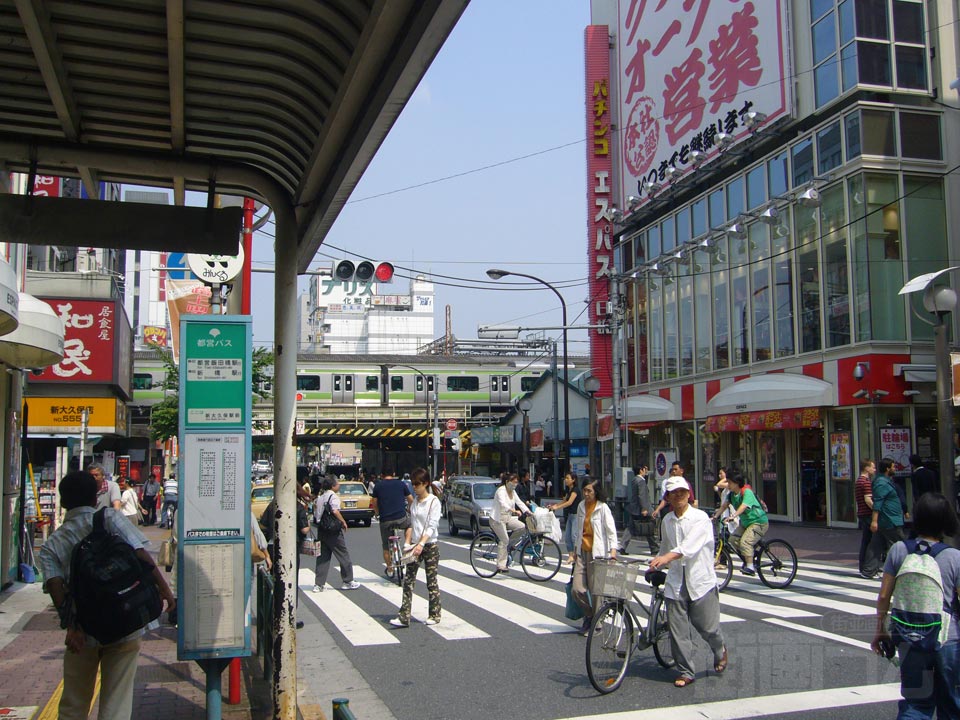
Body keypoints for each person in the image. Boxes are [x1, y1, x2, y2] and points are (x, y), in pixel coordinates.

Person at [37, 470, 176, 720]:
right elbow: (141, 555)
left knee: (74, 702)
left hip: (84, 629)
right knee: (117, 700)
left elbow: (56, 588)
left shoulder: (52, 545)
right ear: (95, 498)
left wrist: (72, 627)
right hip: (125, 620)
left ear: (63, 502)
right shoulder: (110, 518)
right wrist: (165, 591)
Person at [871, 492, 960, 718]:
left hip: (909, 635)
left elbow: (883, 596)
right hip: (947, 639)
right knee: (951, 702)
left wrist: (880, 630)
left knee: (915, 704)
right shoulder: (954, 557)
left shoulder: (899, 550)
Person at [650, 477, 727, 688]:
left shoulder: (700, 518)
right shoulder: (667, 521)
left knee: (707, 628)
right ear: (667, 497)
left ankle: (719, 650)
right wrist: (656, 563)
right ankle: (685, 671)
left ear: (689, 493)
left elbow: (689, 547)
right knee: (678, 631)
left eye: (682, 491)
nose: (679, 496)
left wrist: (666, 558)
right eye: (674, 493)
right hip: (675, 581)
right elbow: (665, 547)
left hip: (700, 580)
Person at [390, 468, 442, 628]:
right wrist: (407, 543)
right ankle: (404, 616)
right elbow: (411, 524)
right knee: (408, 580)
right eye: (413, 484)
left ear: (425, 484)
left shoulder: (433, 502)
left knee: (431, 581)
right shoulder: (414, 503)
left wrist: (421, 543)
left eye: (417, 484)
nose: (414, 487)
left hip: (430, 545)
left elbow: (432, 525)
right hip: (415, 545)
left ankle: (435, 614)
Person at [570, 478, 618, 634]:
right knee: (577, 589)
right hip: (582, 552)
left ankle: (597, 624)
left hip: (598, 553)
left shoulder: (603, 508)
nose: (586, 493)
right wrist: (574, 552)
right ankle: (590, 615)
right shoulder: (581, 506)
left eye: (589, 490)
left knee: (597, 591)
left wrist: (612, 552)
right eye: (584, 490)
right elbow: (578, 530)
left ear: (596, 491)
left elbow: (611, 531)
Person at [312, 476, 360, 592]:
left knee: (322, 557)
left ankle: (319, 584)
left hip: (322, 529)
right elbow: (334, 510)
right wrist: (343, 521)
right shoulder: (333, 496)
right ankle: (348, 580)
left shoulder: (320, 498)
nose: (339, 485)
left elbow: (316, 514)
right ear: (333, 486)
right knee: (343, 554)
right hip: (333, 530)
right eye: (337, 483)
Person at [713, 474, 768, 575]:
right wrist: (715, 517)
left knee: (745, 542)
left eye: (729, 482)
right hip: (746, 523)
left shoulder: (746, 492)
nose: (728, 485)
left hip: (758, 522)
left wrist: (733, 516)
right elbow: (724, 506)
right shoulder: (731, 495)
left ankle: (750, 567)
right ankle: (749, 556)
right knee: (732, 540)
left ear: (737, 483)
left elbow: (743, 506)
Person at [863, 457, 906, 579]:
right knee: (899, 544)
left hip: (887, 519)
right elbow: (878, 502)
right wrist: (874, 520)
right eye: (893, 467)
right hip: (889, 519)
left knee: (876, 544)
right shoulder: (881, 483)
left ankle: (869, 570)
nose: (894, 468)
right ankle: (900, 570)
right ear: (888, 469)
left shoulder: (884, 481)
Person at [371, 472, 412, 577]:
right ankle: (407, 543)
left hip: (386, 520)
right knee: (410, 525)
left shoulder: (378, 486)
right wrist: (410, 509)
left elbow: (374, 502)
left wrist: (377, 513)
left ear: (381, 475)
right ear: (394, 474)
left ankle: (390, 568)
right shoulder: (401, 484)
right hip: (401, 518)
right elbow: (410, 499)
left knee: (385, 545)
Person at [490, 472, 530, 573]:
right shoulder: (501, 491)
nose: (515, 484)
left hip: (507, 518)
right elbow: (503, 504)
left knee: (522, 527)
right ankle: (501, 565)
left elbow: (519, 502)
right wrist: (514, 511)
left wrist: (528, 511)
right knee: (504, 540)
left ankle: (509, 545)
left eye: (516, 482)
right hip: (497, 519)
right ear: (507, 482)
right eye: (513, 482)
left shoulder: (513, 491)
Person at [619, 464, 658, 555]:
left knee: (631, 528)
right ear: (641, 470)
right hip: (641, 509)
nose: (646, 471)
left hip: (635, 508)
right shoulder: (640, 481)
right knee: (649, 527)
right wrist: (644, 508)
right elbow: (642, 495)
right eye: (645, 469)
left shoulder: (635, 480)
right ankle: (654, 548)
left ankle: (622, 546)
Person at [548, 473, 580, 564]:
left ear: (573, 480)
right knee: (567, 537)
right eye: (565, 478)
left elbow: (569, 502)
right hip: (570, 515)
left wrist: (557, 508)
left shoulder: (575, 490)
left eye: (568, 478)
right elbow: (564, 500)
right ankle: (570, 556)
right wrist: (554, 505)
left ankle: (576, 556)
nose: (566, 480)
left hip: (576, 515)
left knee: (574, 536)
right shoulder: (568, 490)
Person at [855, 459, 876, 576]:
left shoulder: (859, 481)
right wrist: (877, 510)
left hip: (862, 513)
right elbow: (868, 499)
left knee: (865, 541)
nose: (874, 469)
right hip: (867, 514)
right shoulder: (866, 482)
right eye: (872, 467)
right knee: (870, 541)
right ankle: (867, 566)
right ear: (866, 468)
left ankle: (863, 565)